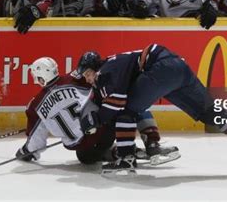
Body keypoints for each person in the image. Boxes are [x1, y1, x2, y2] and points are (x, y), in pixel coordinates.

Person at [77, 44, 227, 174]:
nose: (87, 79)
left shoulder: (106, 71)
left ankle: (127, 158)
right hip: (178, 66)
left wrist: (97, 120)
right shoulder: (114, 65)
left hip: (160, 68)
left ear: (96, 66)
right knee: (208, 112)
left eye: (87, 73)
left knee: (127, 110)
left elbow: (117, 103)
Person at [16, 57, 180, 166]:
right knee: (132, 104)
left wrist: (25, 152)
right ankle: (150, 143)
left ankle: (120, 152)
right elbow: (95, 78)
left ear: (40, 77)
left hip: (86, 148)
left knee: (84, 156)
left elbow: (36, 139)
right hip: (103, 131)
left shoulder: (35, 105)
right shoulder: (73, 78)